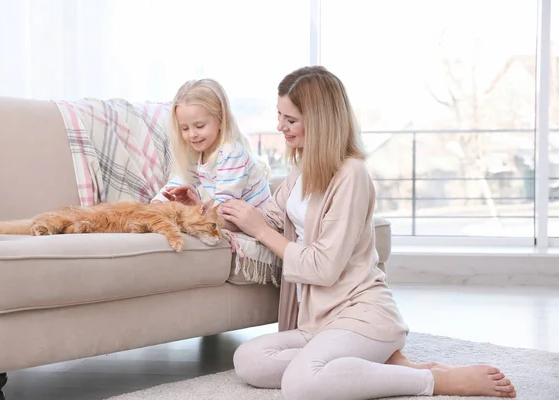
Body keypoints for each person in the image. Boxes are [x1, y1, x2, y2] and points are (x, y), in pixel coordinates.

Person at [220, 66, 516, 400]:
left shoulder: (352, 175)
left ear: (319, 121)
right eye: (280, 116)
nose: (280, 127)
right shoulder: (300, 172)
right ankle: (379, 366)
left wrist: (257, 228)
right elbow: (268, 218)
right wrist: (213, 213)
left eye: (290, 120)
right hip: (316, 320)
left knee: (301, 384)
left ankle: (434, 381)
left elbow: (323, 266)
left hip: (360, 313)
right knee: (249, 360)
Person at [151, 79, 271, 225]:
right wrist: (157, 203)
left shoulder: (231, 152)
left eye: (199, 126)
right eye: (185, 128)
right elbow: (182, 179)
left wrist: (199, 210)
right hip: (232, 216)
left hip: (258, 223)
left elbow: (224, 206)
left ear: (220, 119)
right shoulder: (198, 152)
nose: (192, 134)